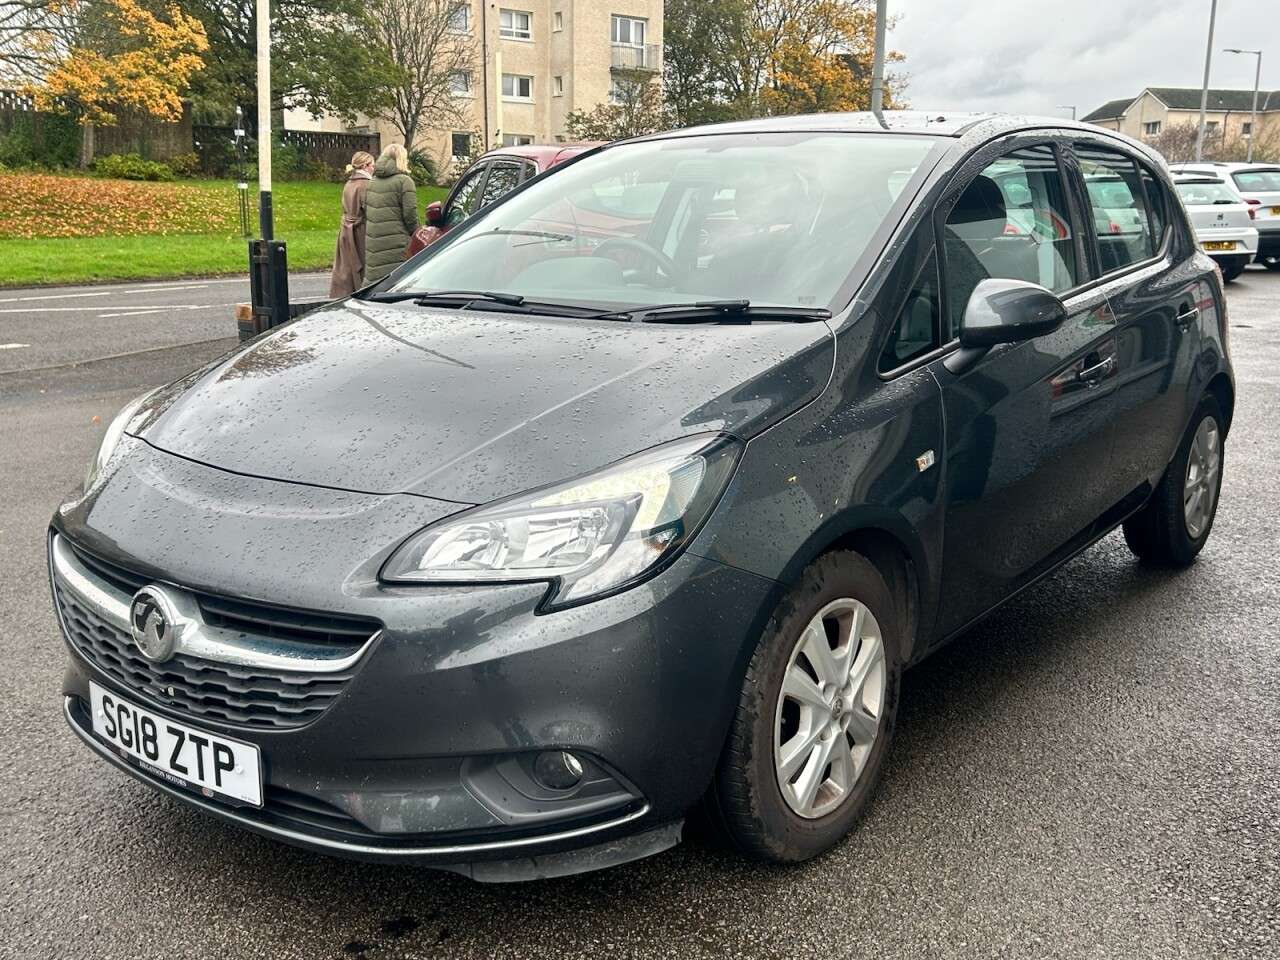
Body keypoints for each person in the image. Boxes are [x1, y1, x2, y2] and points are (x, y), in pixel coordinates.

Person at [363, 143, 419, 285]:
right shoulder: (405, 182)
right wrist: (416, 233)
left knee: (376, 282)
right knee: (396, 284)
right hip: (396, 242)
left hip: (374, 242)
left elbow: (366, 211)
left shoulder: (371, 183)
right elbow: (410, 214)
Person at [328, 151, 375, 298]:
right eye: (372, 165)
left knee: (347, 268)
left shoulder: (349, 183)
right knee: (361, 267)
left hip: (346, 230)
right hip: (360, 230)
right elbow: (370, 209)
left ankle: (345, 296)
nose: (374, 168)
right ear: (366, 166)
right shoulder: (366, 184)